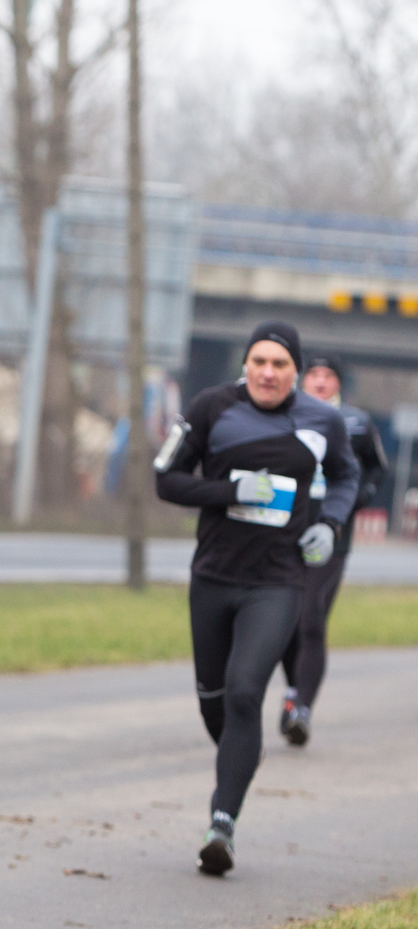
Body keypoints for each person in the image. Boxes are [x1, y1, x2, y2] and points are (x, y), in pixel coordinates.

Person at [153, 322, 356, 876]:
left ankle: (222, 824)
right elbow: (166, 479)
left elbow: (346, 475)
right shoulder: (211, 407)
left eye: (280, 364)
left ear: (296, 372)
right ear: (245, 365)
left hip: (278, 580)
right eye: (259, 361)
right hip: (214, 576)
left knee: (246, 693)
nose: (268, 372)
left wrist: (332, 524)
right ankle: (241, 756)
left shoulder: (322, 421)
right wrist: (231, 492)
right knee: (214, 701)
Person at [276, 352, 387, 745]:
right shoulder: (283, 415)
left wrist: (355, 499)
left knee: (311, 617)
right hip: (285, 527)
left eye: (329, 376)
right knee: (285, 622)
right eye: (315, 375)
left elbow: (375, 467)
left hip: (334, 532)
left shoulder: (356, 422)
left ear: (339, 383)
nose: (321, 382)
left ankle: (303, 707)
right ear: (303, 381)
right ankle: (293, 692)